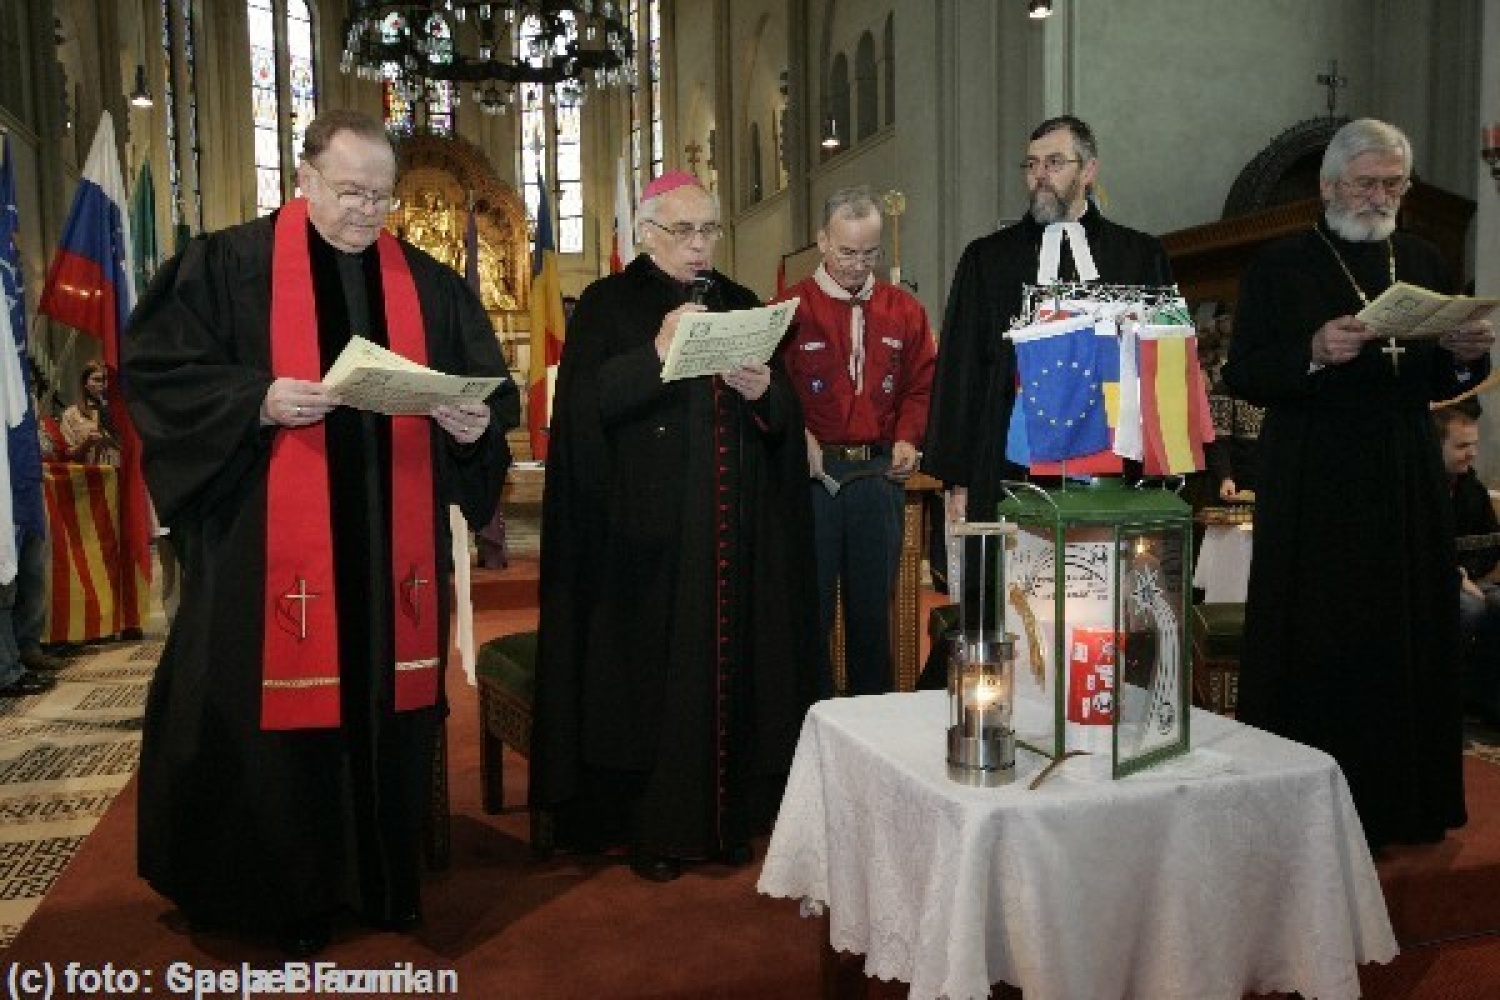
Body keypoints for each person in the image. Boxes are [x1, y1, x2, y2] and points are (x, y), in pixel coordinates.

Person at [122, 109, 518, 954]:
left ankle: (380, 877)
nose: (368, 212)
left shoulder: (427, 285)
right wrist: (255, 401)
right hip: (264, 550)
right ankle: (275, 894)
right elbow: (159, 374)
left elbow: (488, 389)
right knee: (266, 720)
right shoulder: (227, 267)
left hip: (389, 555)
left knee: (383, 702)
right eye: (349, 193)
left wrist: (471, 425)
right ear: (301, 177)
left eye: (382, 197)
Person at [531, 170, 821, 883]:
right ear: (645, 233)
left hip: (733, 540)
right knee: (653, 688)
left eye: (709, 231)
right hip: (644, 542)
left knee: (732, 676)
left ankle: (727, 819)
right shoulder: (607, 304)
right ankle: (651, 829)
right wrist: (656, 355)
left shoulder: (742, 301)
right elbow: (583, 412)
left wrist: (765, 394)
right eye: (683, 232)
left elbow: (783, 419)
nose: (700, 247)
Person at [1223, 117, 1493, 853]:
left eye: (1393, 184)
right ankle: (1312, 809)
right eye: (1368, 182)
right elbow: (1245, 370)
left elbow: (1440, 378)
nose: (1380, 196)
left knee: (1405, 636)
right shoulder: (1281, 267)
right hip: (1316, 476)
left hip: (1405, 470)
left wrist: (1467, 355)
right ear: (1329, 185)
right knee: (1328, 642)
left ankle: (1405, 805)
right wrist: (1311, 352)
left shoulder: (1426, 258)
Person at [924, 115, 1173, 527]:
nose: (1040, 175)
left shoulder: (1138, 256)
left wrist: (1162, 469)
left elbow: (1162, 366)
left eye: (1054, 162)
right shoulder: (986, 259)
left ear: (1089, 170)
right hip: (1007, 465)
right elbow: (960, 368)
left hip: (1112, 469)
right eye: (1032, 164)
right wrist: (958, 479)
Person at [776, 186, 935, 696]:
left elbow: (920, 386)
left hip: (877, 479)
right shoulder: (788, 307)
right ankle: (812, 723)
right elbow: (766, 387)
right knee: (811, 614)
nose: (857, 265)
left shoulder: (904, 310)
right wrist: (793, 431)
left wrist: (909, 439)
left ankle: (871, 731)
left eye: (869, 254)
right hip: (813, 482)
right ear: (823, 240)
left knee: (872, 616)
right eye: (847, 252)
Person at [1434, 405, 1500, 723]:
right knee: (1469, 608)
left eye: (1474, 444)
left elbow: (1490, 544)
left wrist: (1467, 573)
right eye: (1462, 446)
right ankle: (1444, 694)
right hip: (1426, 586)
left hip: (1468, 578)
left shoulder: (1472, 490)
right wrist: (1456, 577)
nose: (1472, 453)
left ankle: (1484, 700)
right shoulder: (1419, 489)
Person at [59, 360, 120, 466]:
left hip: (118, 472)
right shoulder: (72, 414)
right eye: (97, 380)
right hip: (90, 476)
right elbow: (68, 454)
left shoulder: (119, 413)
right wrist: (87, 444)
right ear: (85, 384)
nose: (103, 385)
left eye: (106, 380)